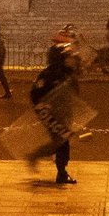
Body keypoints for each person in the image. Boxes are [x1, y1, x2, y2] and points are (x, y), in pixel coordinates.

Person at [25, 43, 81, 185]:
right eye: (66, 57)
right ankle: (38, 157)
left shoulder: (66, 73)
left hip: (64, 113)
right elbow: (35, 93)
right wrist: (43, 107)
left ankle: (61, 172)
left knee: (62, 142)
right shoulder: (49, 74)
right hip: (51, 114)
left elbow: (73, 91)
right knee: (60, 142)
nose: (69, 59)